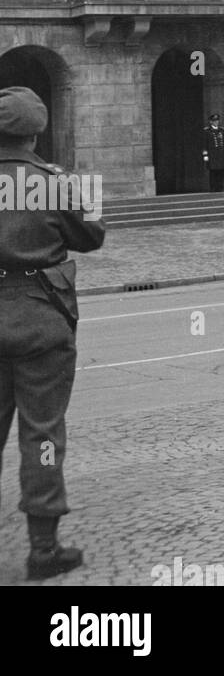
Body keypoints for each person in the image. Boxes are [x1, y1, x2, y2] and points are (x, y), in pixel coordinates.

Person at [0, 86, 105, 579]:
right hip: (42, 318)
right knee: (42, 435)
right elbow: (91, 236)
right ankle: (43, 548)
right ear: (37, 130)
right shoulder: (50, 181)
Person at [200, 112, 224, 192]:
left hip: (220, 154)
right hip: (212, 154)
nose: (216, 122)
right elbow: (204, 143)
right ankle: (213, 188)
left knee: (221, 171)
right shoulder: (207, 131)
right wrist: (205, 155)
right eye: (214, 121)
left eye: (217, 120)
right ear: (211, 122)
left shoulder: (221, 130)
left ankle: (220, 187)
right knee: (213, 172)